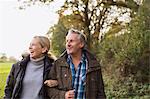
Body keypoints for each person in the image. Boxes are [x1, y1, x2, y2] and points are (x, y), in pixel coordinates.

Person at [47, 28, 106, 99]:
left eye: (71, 41)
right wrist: (63, 95)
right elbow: (49, 89)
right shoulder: (58, 64)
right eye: (67, 41)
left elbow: (100, 92)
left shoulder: (93, 65)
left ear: (81, 44)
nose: (68, 44)